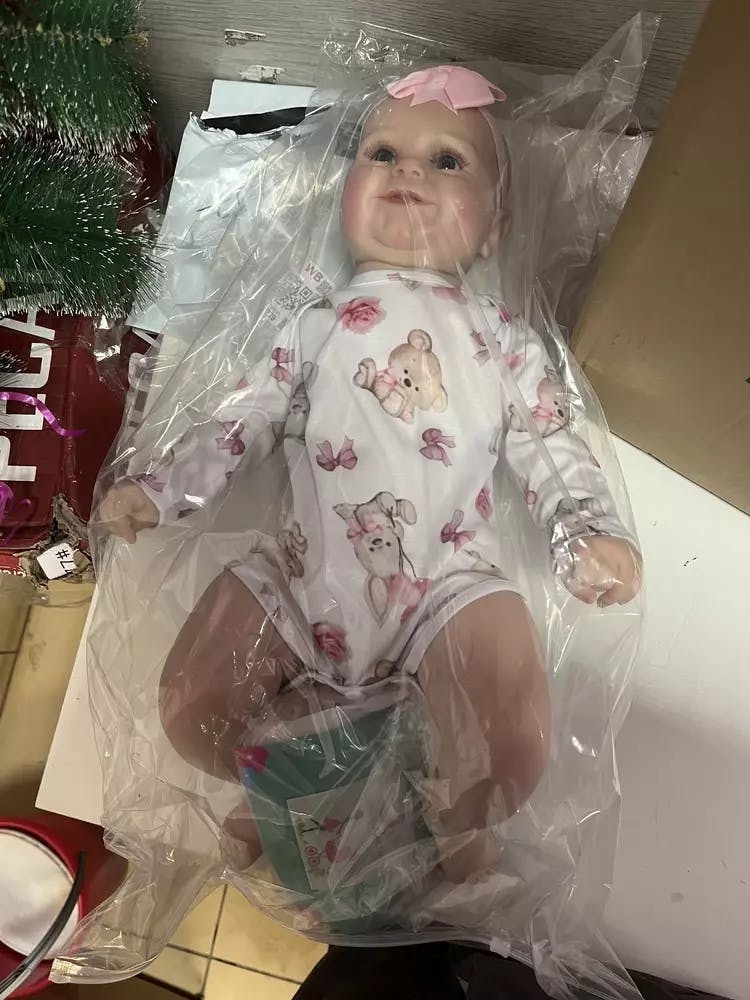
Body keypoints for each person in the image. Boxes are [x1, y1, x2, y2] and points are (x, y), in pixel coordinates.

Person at [99, 65, 642, 888]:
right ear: (345, 197)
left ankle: (448, 808)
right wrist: (164, 487)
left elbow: (547, 438)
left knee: (510, 740)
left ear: (493, 230)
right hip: (302, 576)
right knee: (191, 705)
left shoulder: (502, 337)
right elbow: (241, 421)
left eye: (448, 161)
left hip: (448, 584)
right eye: (382, 152)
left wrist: (586, 533)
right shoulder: (312, 324)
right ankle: (283, 782)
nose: (409, 170)